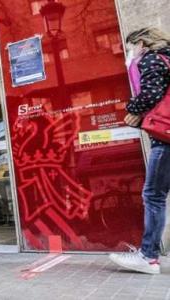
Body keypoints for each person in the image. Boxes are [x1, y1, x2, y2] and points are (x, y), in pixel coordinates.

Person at [109, 27, 170, 275]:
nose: (130, 53)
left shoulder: (152, 58)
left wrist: (132, 107)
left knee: (154, 195)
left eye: (131, 47)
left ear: (142, 43)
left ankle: (148, 256)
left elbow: (151, 93)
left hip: (165, 138)